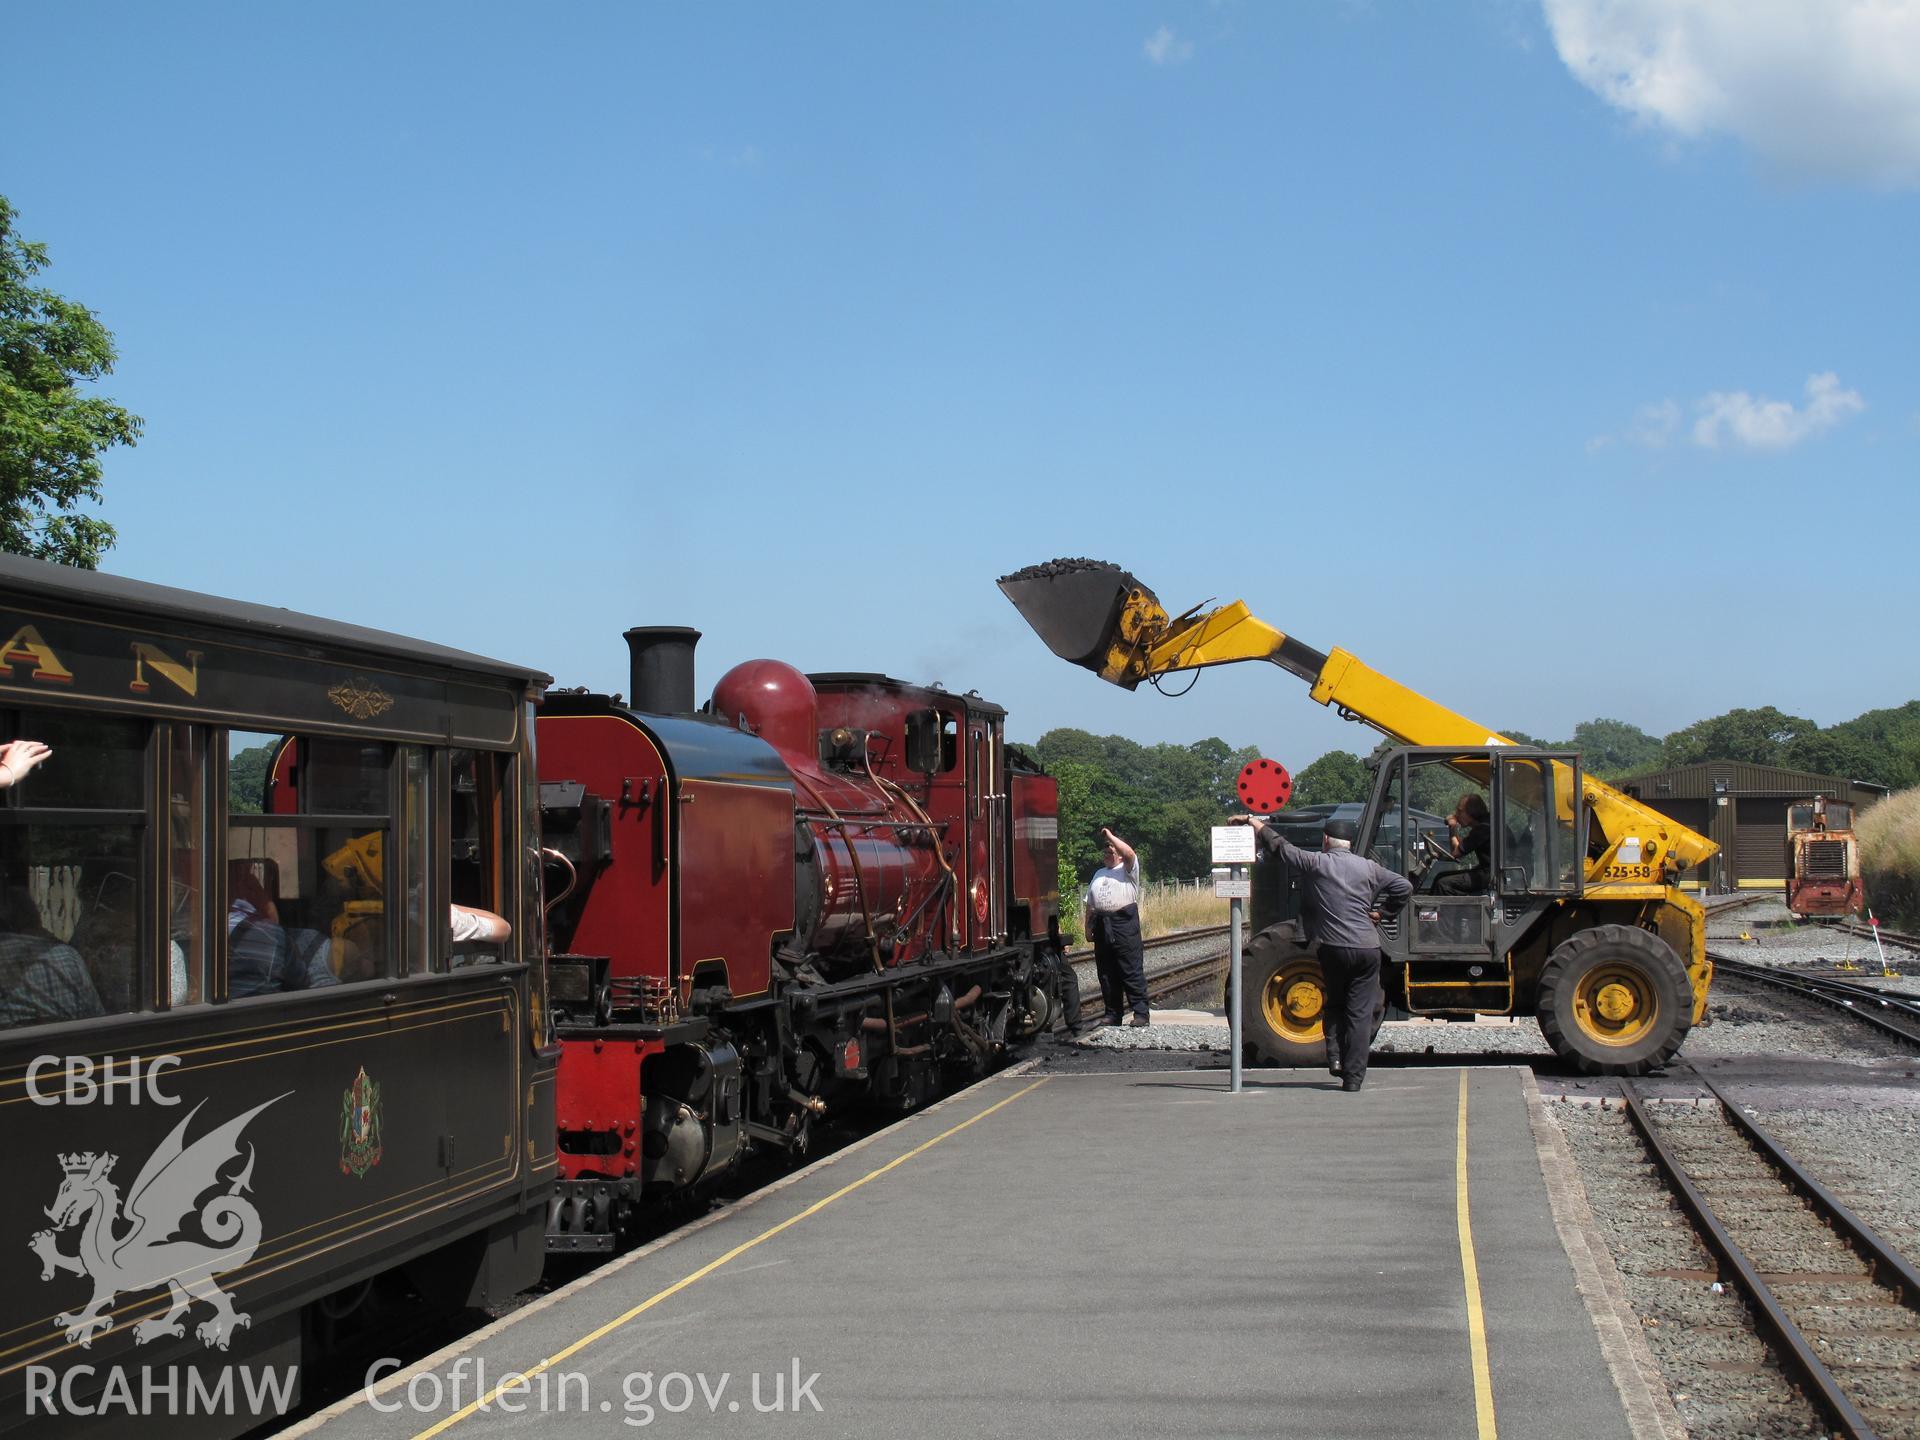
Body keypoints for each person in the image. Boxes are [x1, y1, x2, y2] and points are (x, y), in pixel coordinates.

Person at [1236, 813, 1411, 1092]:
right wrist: (1382, 912)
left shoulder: (1317, 863)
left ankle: (1336, 1059)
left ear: (1326, 840)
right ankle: (1354, 1079)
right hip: (1368, 949)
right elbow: (1404, 886)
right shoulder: (1369, 868)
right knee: (1359, 1014)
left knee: (1334, 1005)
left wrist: (1255, 823)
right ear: (1350, 843)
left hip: (1335, 950)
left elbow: (1282, 848)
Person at [1082, 827, 1149, 1027]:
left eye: (1111, 851)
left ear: (1119, 855)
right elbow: (1090, 903)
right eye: (1105, 851)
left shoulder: (1128, 869)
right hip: (1102, 924)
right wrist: (1087, 927)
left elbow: (1129, 853)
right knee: (1106, 972)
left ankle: (1141, 1014)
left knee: (1130, 969)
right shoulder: (1098, 873)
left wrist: (1111, 837)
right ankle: (1113, 1014)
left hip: (1124, 923)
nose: (1108, 853)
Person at [1437, 793, 1492, 896]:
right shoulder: (1488, 823)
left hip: (1491, 876)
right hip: (1490, 873)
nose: (1456, 815)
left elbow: (1456, 853)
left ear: (1472, 811)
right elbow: (1461, 848)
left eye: (1460, 811)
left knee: (1443, 884)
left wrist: (1452, 828)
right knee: (1440, 876)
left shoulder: (1483, 828)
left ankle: (1446, 912)